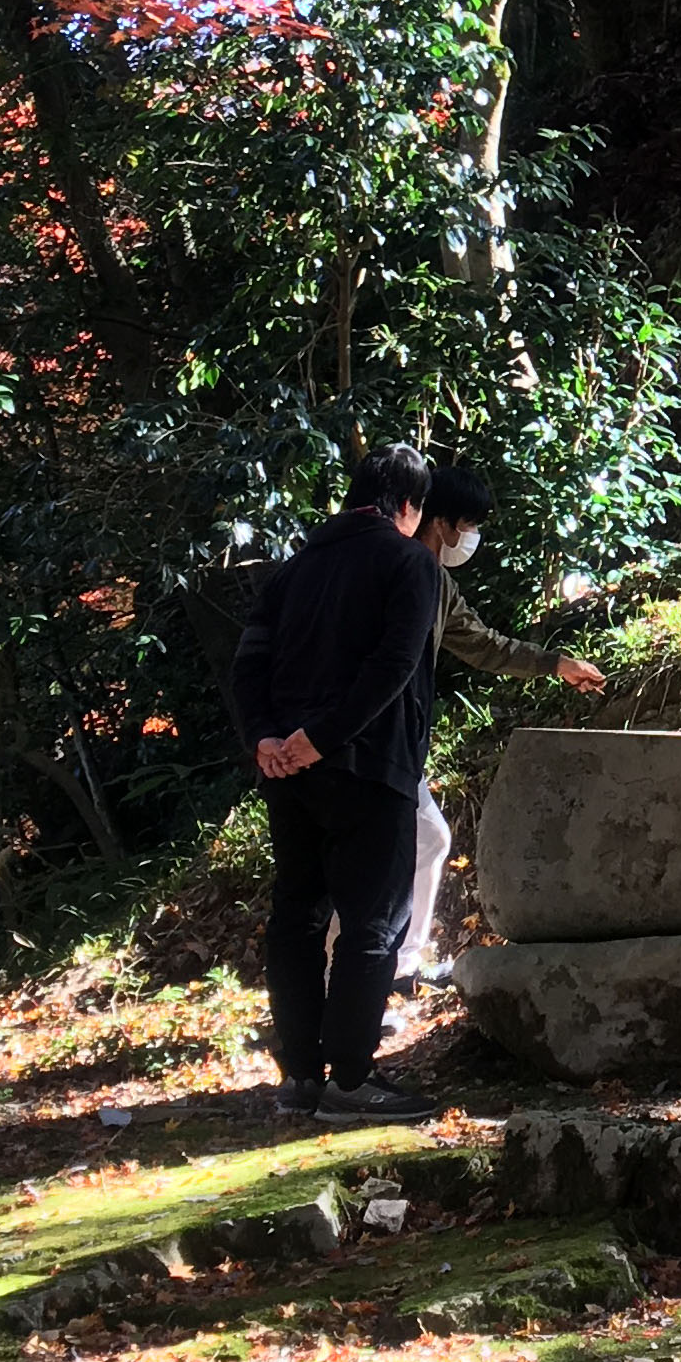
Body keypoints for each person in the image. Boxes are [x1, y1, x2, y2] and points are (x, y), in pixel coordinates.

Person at [231, 443, 443, 1125]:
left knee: (296, 916)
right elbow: (393, 665)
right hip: (368, 765)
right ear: (407, 507)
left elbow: (248, 665)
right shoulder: (409, 561)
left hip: (285, 774)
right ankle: (350, 1079)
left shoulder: (292, 571)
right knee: (373, 921)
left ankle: (299, 1078)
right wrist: (324, 736)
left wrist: (267, 737)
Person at [399, 464, 607, 987]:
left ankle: (392, 966)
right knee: (398, 849)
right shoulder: (394, 570)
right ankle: (356, 975)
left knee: (424, 839)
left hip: (398, 744)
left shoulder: (439, 584)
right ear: (442, 521)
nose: (470, 538)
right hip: (366, 743)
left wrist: (557, 663)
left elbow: (485, 645)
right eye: (468, 525)